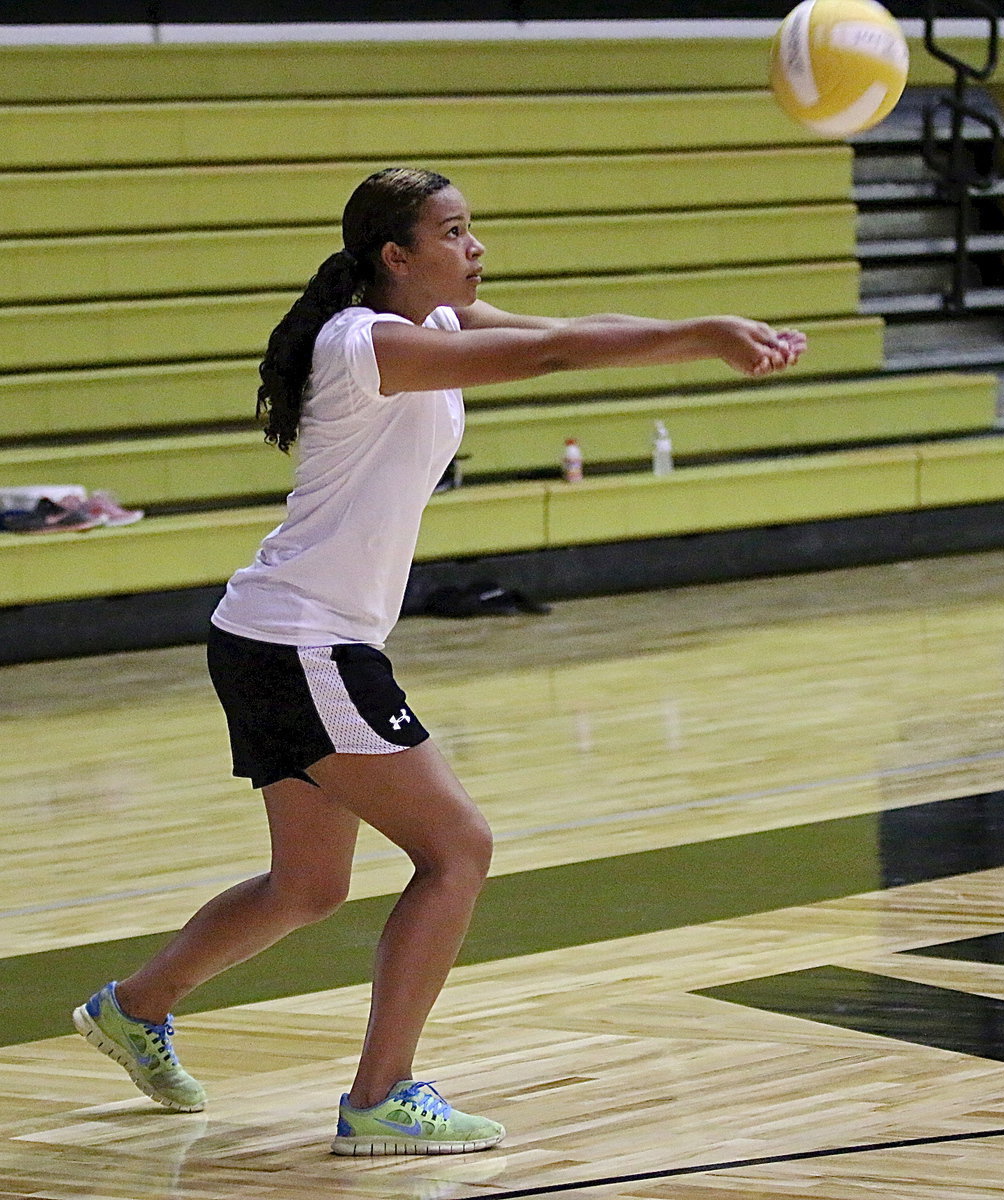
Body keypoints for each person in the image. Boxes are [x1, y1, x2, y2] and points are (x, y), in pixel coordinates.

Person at [73, 166, 806, 1156]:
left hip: (281, 638)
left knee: (306, 886)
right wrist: (701, 335)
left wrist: (704, 330)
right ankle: (382, 1096)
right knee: (457, 848)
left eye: (473, 230)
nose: (475, 248)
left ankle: (134, 1007)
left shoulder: (439, 329)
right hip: (302, 642)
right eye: (453, 232)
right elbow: (545, 357)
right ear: (394, 256)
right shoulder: (365, 344)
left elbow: (562, 330)